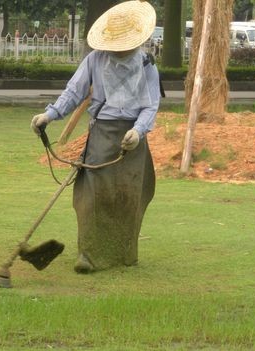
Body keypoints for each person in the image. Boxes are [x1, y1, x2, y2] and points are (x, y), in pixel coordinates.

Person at [30, 0, 161, 273]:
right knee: (91, 196)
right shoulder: (95, 59)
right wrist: (49, 116)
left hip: (133, 139)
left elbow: (151, 105)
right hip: (102, 133)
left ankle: (122, 254)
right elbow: (74, 93)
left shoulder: (147, 64)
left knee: (127, 198)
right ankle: (87, 255)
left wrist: (138, 131)